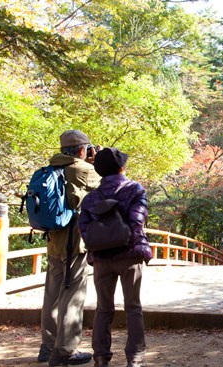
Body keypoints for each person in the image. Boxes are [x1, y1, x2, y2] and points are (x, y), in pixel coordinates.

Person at [78, 148, 152, 367]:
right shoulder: (134, 189)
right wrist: (126, 241)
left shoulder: (91, 198)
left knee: (103, 308)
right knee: (133, 307)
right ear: (122, 167)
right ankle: (135, 357)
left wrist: (102, 243)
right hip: (129, 256)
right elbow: (137, 222)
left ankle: (101, 356)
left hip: (101, 258)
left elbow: (84, 227)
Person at [38, 130, 101, 366]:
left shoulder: (51, 168)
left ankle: (47, 346)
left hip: (53, 241)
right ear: (82, 150)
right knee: (73, 295)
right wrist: (97, 163)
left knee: (52, 295)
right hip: (74, 243)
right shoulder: (83, 170)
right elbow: (110, 183)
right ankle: (66, 350)